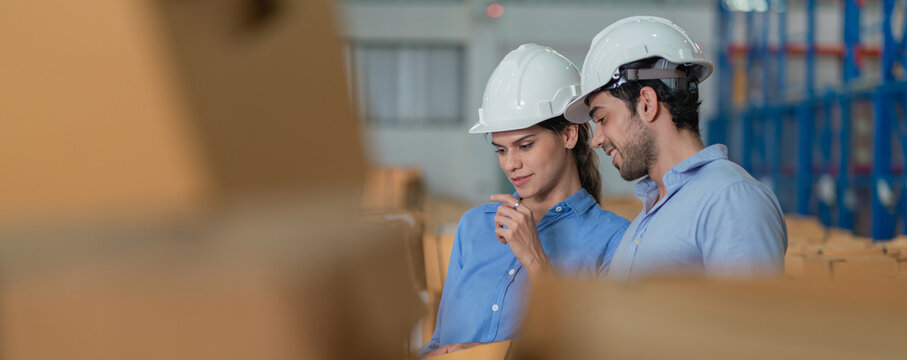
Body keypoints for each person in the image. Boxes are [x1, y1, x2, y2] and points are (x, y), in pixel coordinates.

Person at [418, 44, 629, 358]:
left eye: (525, 145)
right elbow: (439, 342)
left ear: (569, 136)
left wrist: (535, 260)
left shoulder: (615, 240)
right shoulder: (475, 226)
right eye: (501, 150)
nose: (510, 164)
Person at [563, 16, 787, 281]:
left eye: (602, 119)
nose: (596, 139)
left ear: (646, 103)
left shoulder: (730, 200)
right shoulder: (647, 219)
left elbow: (751, 320)